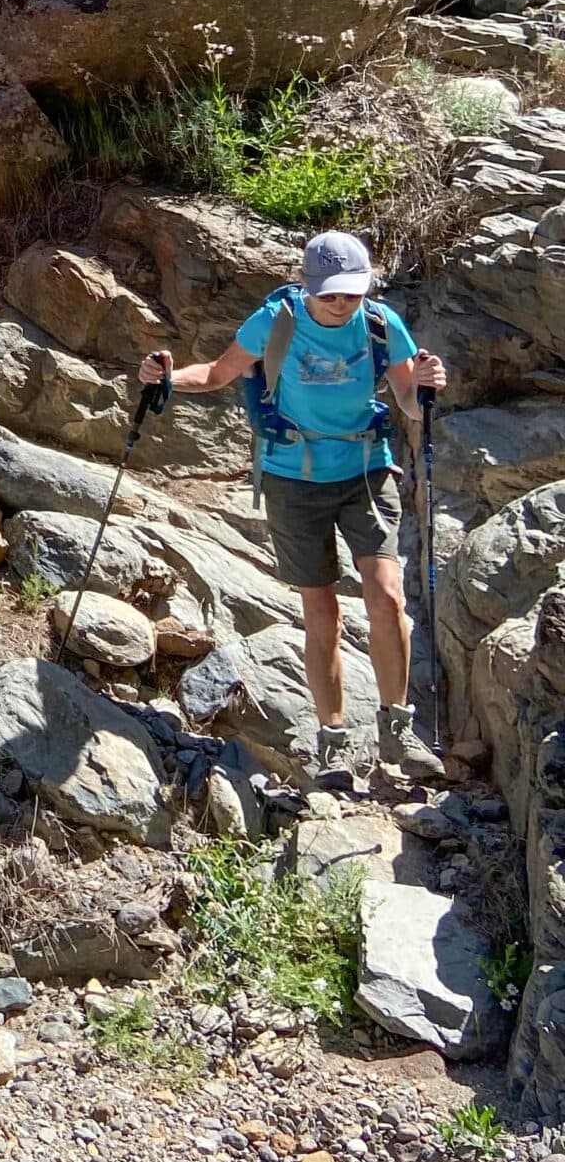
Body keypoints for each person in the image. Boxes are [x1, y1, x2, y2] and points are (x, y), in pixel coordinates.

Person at [139, 229, 447, 785]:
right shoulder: (275, 321)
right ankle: (331, 740)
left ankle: (396, 734)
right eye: (330, 293)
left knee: (388, 596)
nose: (340, 303)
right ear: (308, 285)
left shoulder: (380, 324)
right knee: (322, 612)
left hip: (366, 471)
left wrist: (424, 388)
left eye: (350, 292)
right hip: (293, 479)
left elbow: (408, 402)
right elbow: (216, 373)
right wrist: (166, 378)